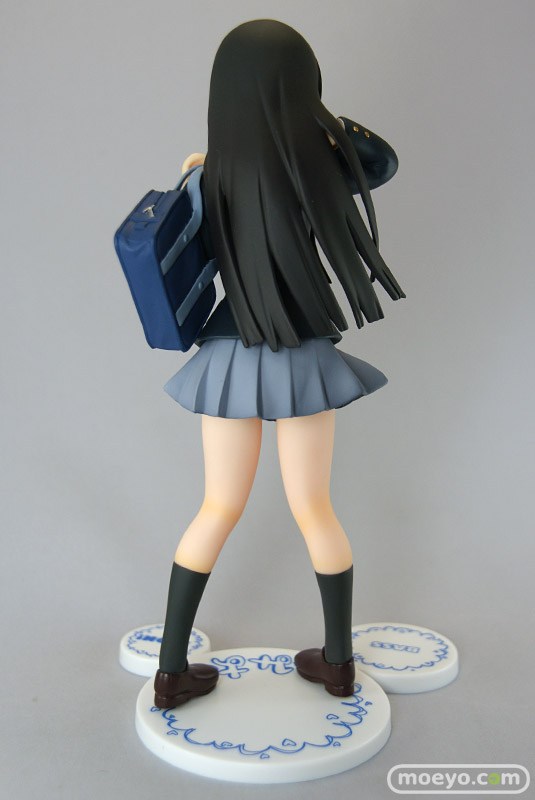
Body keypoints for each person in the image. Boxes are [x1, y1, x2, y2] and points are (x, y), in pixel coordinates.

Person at [153, 18, 405, 710]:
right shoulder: (319, 164)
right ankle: (338, 664)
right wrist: (319, 122)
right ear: (303, 87)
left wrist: (211, 160)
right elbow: (380, 160)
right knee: (315, 507)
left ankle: (171, 672)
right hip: (301, 355)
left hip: (229, 355)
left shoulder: (204, 174)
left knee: (215, 507)